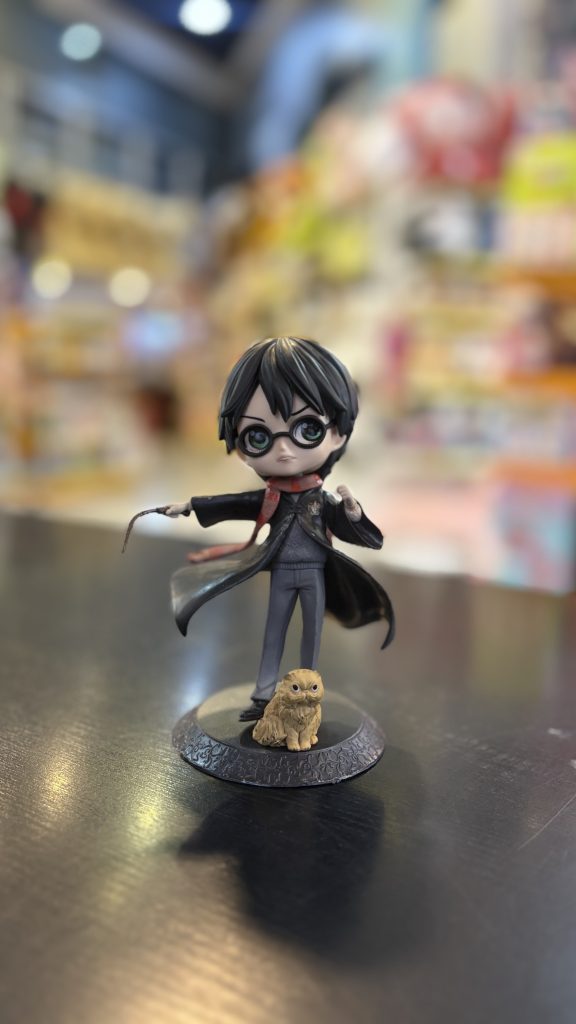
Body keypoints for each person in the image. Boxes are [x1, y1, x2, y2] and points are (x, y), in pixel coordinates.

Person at [167, 336, 394, 721]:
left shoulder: (322, 498)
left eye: (307, 429)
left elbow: (350, 527)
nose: (284, 449)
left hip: (315, 574)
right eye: (259, 437)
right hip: (281, 574)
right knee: (273, 632)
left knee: (311, 636)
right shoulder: (271, 495)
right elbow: (236, 503)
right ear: (240, 445)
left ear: (338, 433)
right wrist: (190, 506)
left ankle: (307, 695)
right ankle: (262, 695)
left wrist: (353, 512)